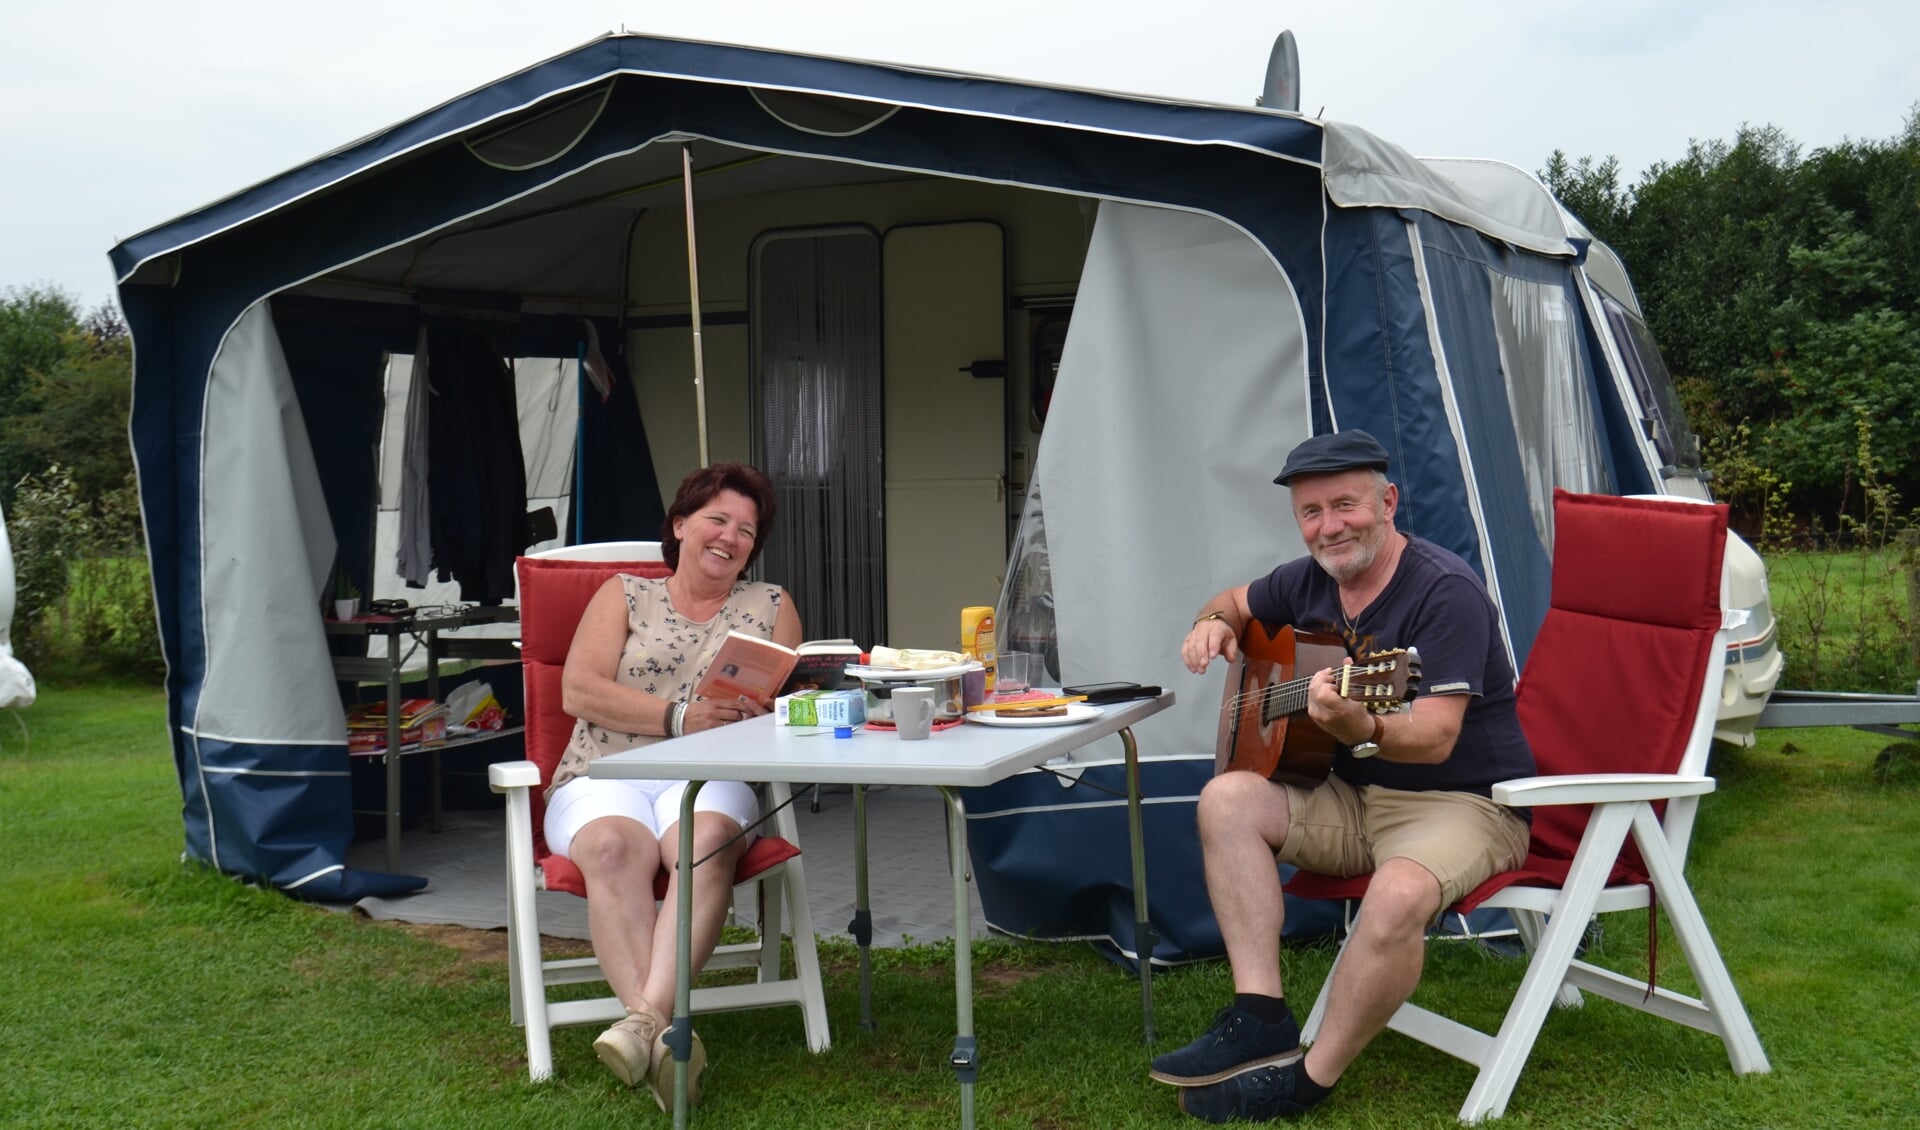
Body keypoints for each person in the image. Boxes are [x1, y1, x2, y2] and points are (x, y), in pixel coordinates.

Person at [1152, 430, 1535, 1122]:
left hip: (1465, 804)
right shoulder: (1308, 581)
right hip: (1355, 796)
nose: (1328, 527)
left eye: (1345, 505)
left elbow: (1439, 735)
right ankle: (1261, 1014)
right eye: (1311, 513)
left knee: (1394, 897)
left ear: (1387, 501)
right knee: (1227, 800)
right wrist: (1211, 622)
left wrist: (1367, 727)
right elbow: (1236, 599)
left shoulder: (1445, 592)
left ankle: (1307, 1080)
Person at [542, 462, 801, 1109]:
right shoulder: (624, 595)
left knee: (706, 840)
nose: (730, 536)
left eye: (746, 529)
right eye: (718, 518)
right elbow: (579, 690)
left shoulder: (770, 606)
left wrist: (766, 712)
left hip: (711, 774)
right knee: (610, 850)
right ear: (681, 525)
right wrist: (678, 716)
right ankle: (666, 1041)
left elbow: (783, 706)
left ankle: (642, 1025)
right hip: (606, 770)